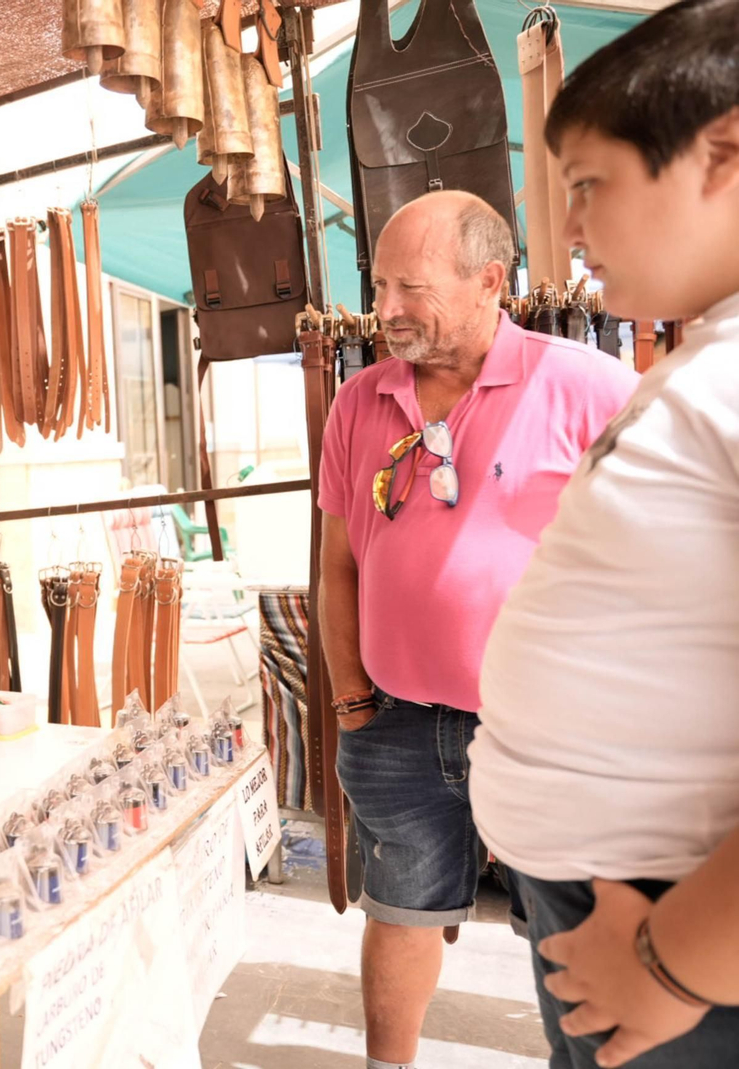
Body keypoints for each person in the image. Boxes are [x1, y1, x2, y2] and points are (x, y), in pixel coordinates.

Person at [469, 2, 739, 1065]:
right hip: (628, 918)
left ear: (723, 152)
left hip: (685, 948)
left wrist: (678, 964)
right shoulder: (698, 356)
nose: (568, 231)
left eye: (587, 186)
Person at [317, 190, 638, 1069]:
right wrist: (350, 698)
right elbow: (337, 564)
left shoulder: (586, 385)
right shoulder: (359, 401)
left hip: (545, 734)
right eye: (378, 285)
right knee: (401, 908)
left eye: (409, 288)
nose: (384, 310)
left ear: (491, 280)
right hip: (394, 723)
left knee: (570, 925)